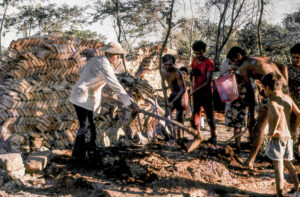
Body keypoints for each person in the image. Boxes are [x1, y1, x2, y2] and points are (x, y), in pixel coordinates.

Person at [69, 41, 138, 162]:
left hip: (83, 96)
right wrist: (130, 104)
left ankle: (90, 152)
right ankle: (78, 157)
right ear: (110, 54)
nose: (118, 57)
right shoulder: (104, 65)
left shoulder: (97, 60)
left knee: (89, 126)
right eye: (117, 55)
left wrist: (120, 102)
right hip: (82, 97)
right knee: (85, 127)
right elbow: (116, 86)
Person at [226, 46, 289, 169]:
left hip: (273, 93)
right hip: (284, 91)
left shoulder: (244, 67)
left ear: (239, 56)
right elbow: (283, 66)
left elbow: (249, 93)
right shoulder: (261, 58)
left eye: (234, 61)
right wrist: (285, 84)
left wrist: (250, 115)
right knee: (279, 126)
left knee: (259, 128)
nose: (234, 64)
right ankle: (279, 158)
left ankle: (250, 161)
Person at [262, 72, 299, 197]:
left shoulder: (271, 101)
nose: (263, 91)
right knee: (288, 162)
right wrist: (294, 129)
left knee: (278, 168)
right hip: (288, 136)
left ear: (267, 87)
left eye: (263, 88)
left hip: (277, 138)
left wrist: (272, 130)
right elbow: (299, 114)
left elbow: (277, 115)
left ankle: (279, 193)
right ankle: (297, 185)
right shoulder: (287, 98)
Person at [188, 40, 217, 153]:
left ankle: (213, 138)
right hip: (196, 93)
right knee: (196, 115)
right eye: (196, 53)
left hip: (206, 93)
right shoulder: (194, 60)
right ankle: (198, 136)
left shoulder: (209, 63)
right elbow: (194, 72)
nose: (198, 55)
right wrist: (191, 75)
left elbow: (208, 80)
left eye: (200, 53)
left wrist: (195, 90)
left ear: (204, 51)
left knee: (209, 116)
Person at [162, 54, 186, 148]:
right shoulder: (164, 72)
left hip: (180, 97)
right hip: (172, 95)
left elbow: (183, 89)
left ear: (173, 64)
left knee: (179, 119)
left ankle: (181, 139)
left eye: (170, 64)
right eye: (166, 64)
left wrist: (174, 100)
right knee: (165, 116)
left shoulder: (177, 73)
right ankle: (172, 136)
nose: (168, 66)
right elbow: (170, 85)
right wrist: (163, 89)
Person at [288, 43, 300, 157]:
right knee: (291, 128)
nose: (295, 59)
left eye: (298, 57)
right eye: (294, 57)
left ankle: (298, 150)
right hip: (290, 102)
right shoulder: (287, 68)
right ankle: (290, 152)